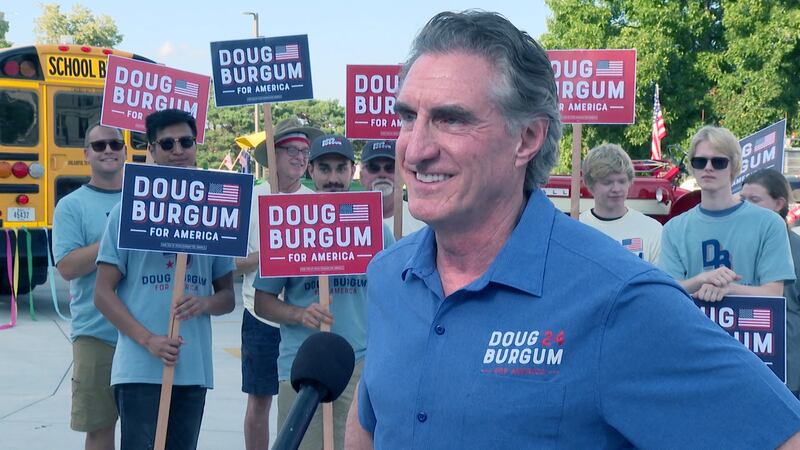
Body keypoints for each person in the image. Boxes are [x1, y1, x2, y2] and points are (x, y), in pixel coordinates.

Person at [345, 10, 800, 449]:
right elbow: (369, 423)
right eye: (407, 117)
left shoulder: (621, 299)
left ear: (527, 138)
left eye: (451, 119)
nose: (416, 148)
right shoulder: (389, 275)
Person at [94, 109, 235, 450]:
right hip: (140, 369)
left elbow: (228, 296)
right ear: (152, 150)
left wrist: (204, 303)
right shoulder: (127, 210)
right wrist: (148, 340)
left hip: (192, 370)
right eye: (167, 143)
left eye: (186, 141)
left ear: (195, 146)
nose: (178, 150)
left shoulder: (215, 210)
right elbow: (102, 292)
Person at [253, 134, 394, 450]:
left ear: (352, 171)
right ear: (310, 171)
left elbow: (396, 295)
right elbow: (262, 301)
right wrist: (298, 314)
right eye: (325, 169)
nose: (333, 178)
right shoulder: (287, 223)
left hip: (358, 367)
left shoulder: (374, 225)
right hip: (302, 366)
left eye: (340, 168)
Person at [235, 117, 321, 450]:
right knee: (259, 402)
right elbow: (228, 265)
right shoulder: (249, 200)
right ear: (273, 154)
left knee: (304, 403)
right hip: (258, 317)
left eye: (305, 151)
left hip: (302, 317)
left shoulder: (315, 203)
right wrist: (271, 254)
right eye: (292, 150)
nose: (301, 157)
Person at [659, 126, 795, 302]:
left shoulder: (770, 224)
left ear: (734, 166)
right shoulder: (673, 229)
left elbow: (774, 293)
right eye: (700, 162)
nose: (708, 167)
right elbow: (666, 291)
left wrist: (729, 289)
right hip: (692, 327)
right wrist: (702, 280)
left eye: (718, 162)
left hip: (750, 326)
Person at [53, 124, 126, 450]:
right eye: (99, 146)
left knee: (150, 428)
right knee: (98, 430)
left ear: (126, 151)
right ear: (86, 154)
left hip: (147, 335)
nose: (108, 149)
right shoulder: (71, 205)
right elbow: (67, 267)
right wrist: (115, 237)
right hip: (96, 334)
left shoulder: (148, 200)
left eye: (115, 143)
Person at [741, 169, 800, 398]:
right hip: (743, 369)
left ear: (779, 203)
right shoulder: (733, 245)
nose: (745, 206)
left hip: (788, 376)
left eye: (754, 200)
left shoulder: (796, 249)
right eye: (742, 199)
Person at [579, 143, 662, 263]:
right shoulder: (577, 228)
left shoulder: (653, 230)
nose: (616, 189)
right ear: (590, 185)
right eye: (607, 182)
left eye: (622, 181)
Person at [358, 140, 425, 237]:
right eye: (373, 167)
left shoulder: (421, 221)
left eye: (390, 167)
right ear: (361, 176)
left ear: (402, 174)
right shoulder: (346, 223)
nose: (382, 174)